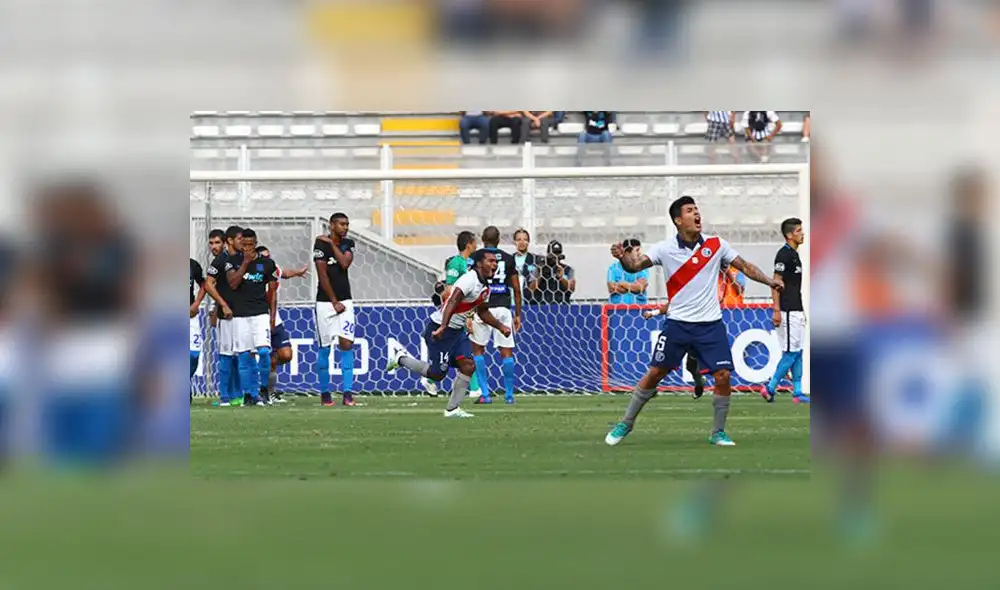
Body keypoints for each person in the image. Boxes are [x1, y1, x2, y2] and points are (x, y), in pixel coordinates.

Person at [604, 195, 783, 447]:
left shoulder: (716, 244)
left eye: (697, 209)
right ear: (678, 220)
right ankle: (626, 423)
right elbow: (634, 266)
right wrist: (622, 256)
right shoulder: (664, 248)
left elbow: (744, 266)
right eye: (690, 211)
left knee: (723, 376)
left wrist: (769, 281)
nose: (697, 214)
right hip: (677, 323)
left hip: (710, 324)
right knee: (655, 373)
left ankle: (718, 432)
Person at [386, 250, 510, 418]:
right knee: (437, 374)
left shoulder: (485, 288)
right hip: (440, 329)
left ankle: (452, 409)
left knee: (468, 365)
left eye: (496, 262)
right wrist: (443, 326)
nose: (494, 264)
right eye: (490, 261)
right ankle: (401, 359)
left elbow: (482, 311)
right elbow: (452, 300)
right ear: (479, 264)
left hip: (457, 333)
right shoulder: (469, 279)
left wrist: (500, 326)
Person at [470, 226, 522, 405]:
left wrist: (468, 314)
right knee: (506, 352)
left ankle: (485, 394)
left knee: (477, 350)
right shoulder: (508, 258)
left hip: (483, 308)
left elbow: (471, 283)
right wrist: (518, 315)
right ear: (499, 240)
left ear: (482, 239)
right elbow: (516, 288)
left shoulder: (476, 257)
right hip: (503, 309)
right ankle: (509, 395)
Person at [226, 228, 278, 406]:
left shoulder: (267, 264)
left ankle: (264, 390)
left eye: (251, 245)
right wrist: (245, 264)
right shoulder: (232, 261)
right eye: (244, 245)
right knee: (244, 356)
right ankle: (249, 394)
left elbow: (272, 291)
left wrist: (272, 317)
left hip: (260, 313)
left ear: (255, 244)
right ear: (240, 244)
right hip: (240, 315)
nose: (247, 248)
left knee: (264, 352)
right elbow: (233, 284)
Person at [430, 231, 485, 399]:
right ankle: (474, 388)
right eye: (475, 242)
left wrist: (469, 314)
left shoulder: (468, 264)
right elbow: (449, 292)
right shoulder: (456, 263)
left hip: (461, 315)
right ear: (468, 244)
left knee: (461, 353)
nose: (477, 245)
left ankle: (472, 388)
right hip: (452, 317)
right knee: (460, 353)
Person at [761, 218, 808, 404]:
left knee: (798, 351)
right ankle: (770, 387)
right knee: (791, 352)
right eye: (798, 231)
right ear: (789, 235)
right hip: (788, 310)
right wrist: (777, 310)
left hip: (797, 309)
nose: (802, 233)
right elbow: (775, 283)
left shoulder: (795, 255)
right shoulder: (783, 255)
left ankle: (797, 392)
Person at [313, 212, 357, 407]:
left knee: (346, 343)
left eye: (347, 224)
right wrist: (333, 301)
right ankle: (325, 394)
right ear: (331, 225)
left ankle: (347, 394)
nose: (345, 227)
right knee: (325, 347)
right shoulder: (319, 245)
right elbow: (322, 275)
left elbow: (345, 263)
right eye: (341, 224)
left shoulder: (347, 244)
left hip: (346, 301)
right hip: (325, 303)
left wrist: (332, 244)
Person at [256, 245, 309, 404]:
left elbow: (283, 273)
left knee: (286, 354)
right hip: (258, 318)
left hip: (275, 319)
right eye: (264, 257)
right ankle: (267, 392)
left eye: (269, 256)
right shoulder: (253, 274)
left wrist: (297, 272)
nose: (268, 259)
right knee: (261, 357)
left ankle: (267, 385)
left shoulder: (273, 269)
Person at [205, 226, 240, 406]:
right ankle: (227, 395)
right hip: (226, 313)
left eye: (217, 242)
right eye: (211, 243)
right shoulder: (218, 263)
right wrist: (215, 308)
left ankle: (239, 394)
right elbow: (210, 285)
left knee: (240, 354)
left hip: (244, 312)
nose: (214, 246)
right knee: (227, 353)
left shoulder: (238, 259)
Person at [606, 238, 648, 304]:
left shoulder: (642, 267)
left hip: (639, 309)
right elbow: (612, 288)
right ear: (627, 252)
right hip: (617, 309)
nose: (640, 253)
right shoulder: (613, 268)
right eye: (637, 250)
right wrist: (632, 286)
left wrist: (622, 284)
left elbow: (639, 288)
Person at [189, 257, 206, 401]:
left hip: (189, 314)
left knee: (193, 354)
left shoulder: (192, 265)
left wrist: (197, 303)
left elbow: (204, 284)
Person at [512, 228, 539, 301]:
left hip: (530, 302)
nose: (522, 242)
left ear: (529, 242)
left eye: (525, 240)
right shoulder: (510, 259)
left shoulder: (535, 260)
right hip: (512, 301)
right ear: (514, 242)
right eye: (519, 240)